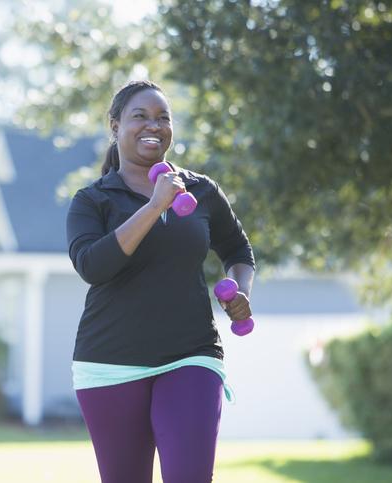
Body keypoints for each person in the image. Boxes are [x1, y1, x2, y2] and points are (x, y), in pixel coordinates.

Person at [66, 80, 255, 483]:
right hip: (109, 363)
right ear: (115, 127)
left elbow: (238, 250)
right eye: (140, 116)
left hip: (191, 354)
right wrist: (156, 205)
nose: (154, 125)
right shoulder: (92, 199)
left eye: (163, 118)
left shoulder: (202, 191)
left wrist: (240, 290)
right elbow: (92, 267)